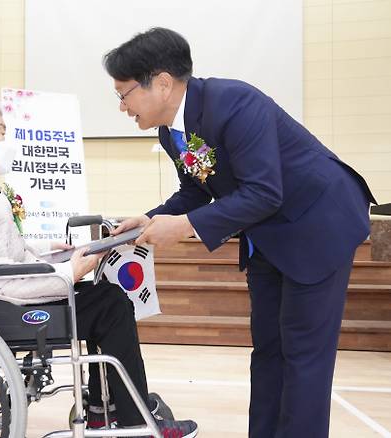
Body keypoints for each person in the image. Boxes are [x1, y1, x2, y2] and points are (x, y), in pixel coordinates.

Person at [103, 28, 376, 438]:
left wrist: (186, 227)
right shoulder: (170, 131)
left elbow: (264, 191)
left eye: (124, 94)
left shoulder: (235, 102)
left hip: (318, 224)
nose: (122, 107)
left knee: (303, 355)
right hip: (269, 236)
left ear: (161, 83)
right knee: (268, 351)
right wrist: (151, 218)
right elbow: (196, 189)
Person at [0, 89, 198, 437]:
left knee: (105, 298)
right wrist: (66, 273)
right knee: (109, 304)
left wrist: (50, 250)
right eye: (1, 130)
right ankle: (131, 421)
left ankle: (103, 410)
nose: (6, 138)